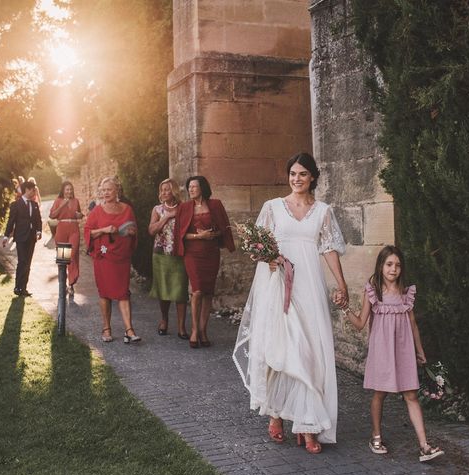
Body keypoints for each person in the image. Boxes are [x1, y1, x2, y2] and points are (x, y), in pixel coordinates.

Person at [232, 152, 348, 454]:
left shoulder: (323, 211)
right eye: (293, 174)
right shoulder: (272, 207)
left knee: (311, 352)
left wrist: (341, 282)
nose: (297, 179)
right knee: (282, 348)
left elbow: (329, 249)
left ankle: (307, 423)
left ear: (313, 178)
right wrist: (270, 259)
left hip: (309, 287)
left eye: (303, 174)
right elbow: (258, 247)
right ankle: (275, 413)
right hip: (279, 287)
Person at [341, 245, 444, 462]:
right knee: (380, 393)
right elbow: (360, 323)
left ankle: (424, 446)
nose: (393, 269)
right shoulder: (373, 291)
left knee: (411, 394)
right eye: (389, 264)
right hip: (382, 351)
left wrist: (420, 351)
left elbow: (413, 323)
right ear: (380, 266)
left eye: (397, 265)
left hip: (404, 349)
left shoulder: (406, 293)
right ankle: (376, 436)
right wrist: (345, 308)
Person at [174, 175, 235, 348]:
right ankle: (194, 330)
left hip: (211, 253)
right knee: (197, 291)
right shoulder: (184, 208)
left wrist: (214, 234)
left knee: (208, 292)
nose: (191, 189)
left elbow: (224, 227)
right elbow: (180, 234)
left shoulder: (215, 204)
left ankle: (203, 330)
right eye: (189, 187)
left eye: (194, 186)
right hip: (193, 254)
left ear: (202, 188)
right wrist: (198, 236)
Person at [84, 176, 141, 344]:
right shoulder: (96, 211)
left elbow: (134, 229)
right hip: (104, 256)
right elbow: (89, 232)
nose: (106, 193)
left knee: (123, 293)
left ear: (117, 191)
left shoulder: (128, 209)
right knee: (105, 293)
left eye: (109, 189)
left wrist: (132, 232)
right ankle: (106, 327)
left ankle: (129, 330)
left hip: (122, 257)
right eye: (103, 190)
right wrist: (104, 230)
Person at [148, 178, 189, 338]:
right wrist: (166, 217)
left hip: (179, 254)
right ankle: (164, 320)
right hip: (160, 254)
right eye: (162, 190)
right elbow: (151, 230)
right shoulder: (157, 210)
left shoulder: (184, 208)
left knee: (180, 291)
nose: (164, 192)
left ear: (174, 191)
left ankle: (181, 327)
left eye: (167, 189)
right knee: (163, 290)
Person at [2, 180, 43, 296]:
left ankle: (23, 288)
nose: (35, 192)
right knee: (22, 261)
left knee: (28, 263)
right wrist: (6, 236)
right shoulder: (16, 205)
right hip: (20, 237)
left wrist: (39, 231)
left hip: (31, 238)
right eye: (33, 190)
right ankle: (17, 287)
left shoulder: (34, 205)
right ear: (27, 190)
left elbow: (38, 220)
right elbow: (11, 222)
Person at [49, 181, 83, 295]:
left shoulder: (76, 201)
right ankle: (63, 283)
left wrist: (80, 215)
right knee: (63, 259)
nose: (69, 191)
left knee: (72, 255)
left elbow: (79, 214)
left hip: (74, 229)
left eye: (70, 189)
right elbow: (52, 215)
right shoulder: (58, 201)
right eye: (67, 189)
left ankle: (71, 282)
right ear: (63, 190)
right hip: (62, 229)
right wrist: (62, 205)